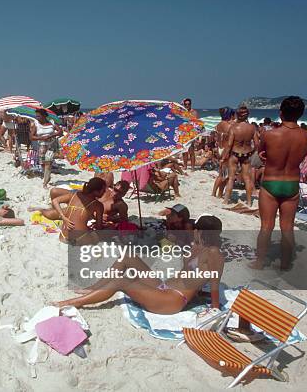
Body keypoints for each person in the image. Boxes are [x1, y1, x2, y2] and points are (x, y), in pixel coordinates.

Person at [56, 216, 224, 314]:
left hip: (173, 300)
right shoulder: (196, 246)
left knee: (122, 281)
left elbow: (214, 285)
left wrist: (214, 309)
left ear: (201, 231)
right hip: (164, 287)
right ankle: (93, 289)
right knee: (127, 256)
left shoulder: (214, 253)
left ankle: (76, 302)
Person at [254, 97, 307, 270]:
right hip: (292, 184)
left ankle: (259, 263)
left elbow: (261, 154)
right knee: (287, 227)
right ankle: (286, 264)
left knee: (266, 226)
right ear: (301, 114)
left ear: (280, 113)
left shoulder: (270, 134)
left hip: (271, 182)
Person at [222, 106, 258, 206]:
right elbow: (257, 144)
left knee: (231, 178)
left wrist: (224, 156)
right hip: (246, 154)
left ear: (237, 115)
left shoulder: (233, 128)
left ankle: (226, 200)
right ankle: (249, 202)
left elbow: (229, 144)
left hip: (234, 153)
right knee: (247, 178)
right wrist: (251, 152)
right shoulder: (252, 128)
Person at [52, 177, 106, 245]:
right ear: (95, 191)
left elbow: (55, 201)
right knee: (97, 236)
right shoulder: (98, 205)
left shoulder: (74, 195)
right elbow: (99, 227)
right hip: (80, 238)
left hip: (63, 236)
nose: (104, 193)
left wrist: (63, 217)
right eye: (103, 190)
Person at [30, 109, 61, 188]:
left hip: (51, 145)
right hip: (41, 146)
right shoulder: (36, 124)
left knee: (48, 163)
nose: (37, 117)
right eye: (36, 116)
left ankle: (45, 183)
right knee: (42, 164)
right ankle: (47, 176)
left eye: (38, 116)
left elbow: (60, 131)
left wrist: (50, 136)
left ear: (44, 116)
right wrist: (41, 137)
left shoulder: (51, 122)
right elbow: (31, 137)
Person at [182, 98, 198, 170]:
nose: (187, 105)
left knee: (191, 151)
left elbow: (197, 123)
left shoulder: (194, 112)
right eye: (185, 104)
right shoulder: (182, 111)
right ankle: (185, 166)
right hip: (183, 133)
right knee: (184, 151)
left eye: (188, 104)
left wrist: (197, 135)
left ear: (191, 104)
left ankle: (192, 167)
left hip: (191, 133)